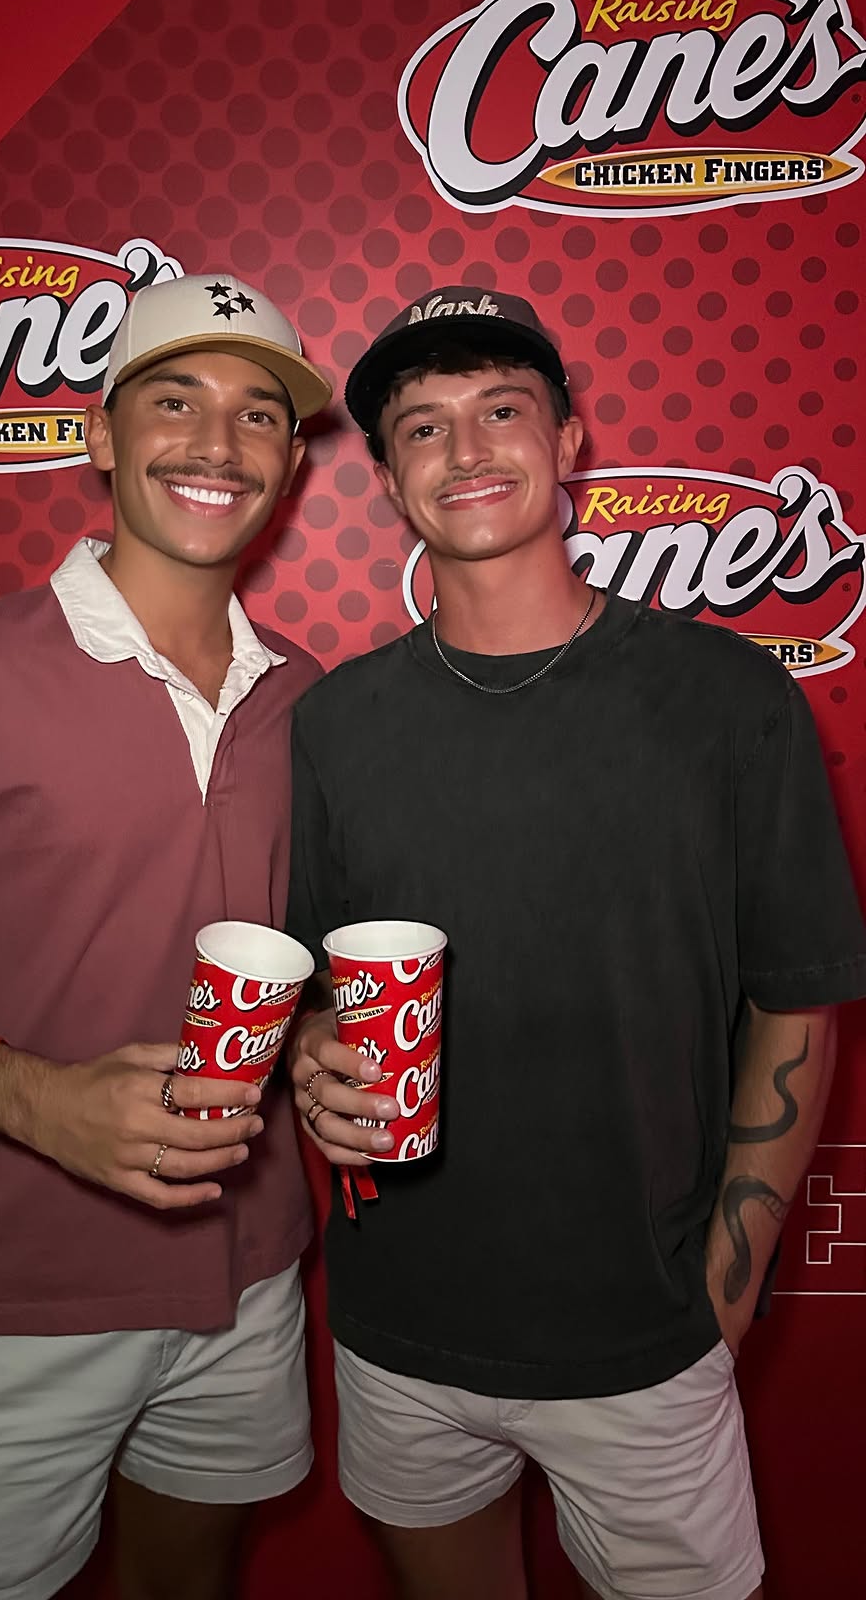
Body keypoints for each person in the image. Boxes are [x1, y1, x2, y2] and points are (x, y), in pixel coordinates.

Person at [287, 283, 866, 1600]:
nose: (468, 449)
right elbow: (313, 982)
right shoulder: (340, 725)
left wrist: (724, 1283)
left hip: (644, 1343)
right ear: (384, 480)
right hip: (401, 1336)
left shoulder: (727, 699)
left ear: (572, 439)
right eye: (423, 429)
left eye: (502, 409)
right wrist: (316, 1049)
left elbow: (796, 1003)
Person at [0, 272, 332, 1600]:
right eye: (175, 400)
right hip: (7, 1306)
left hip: (247, 1285)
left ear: (293, 457)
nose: (219, 443)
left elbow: (295, 959)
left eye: (261, 414)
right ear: (99, 435)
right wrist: (23, 1092)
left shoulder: (310, 700)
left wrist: (324, 1054)